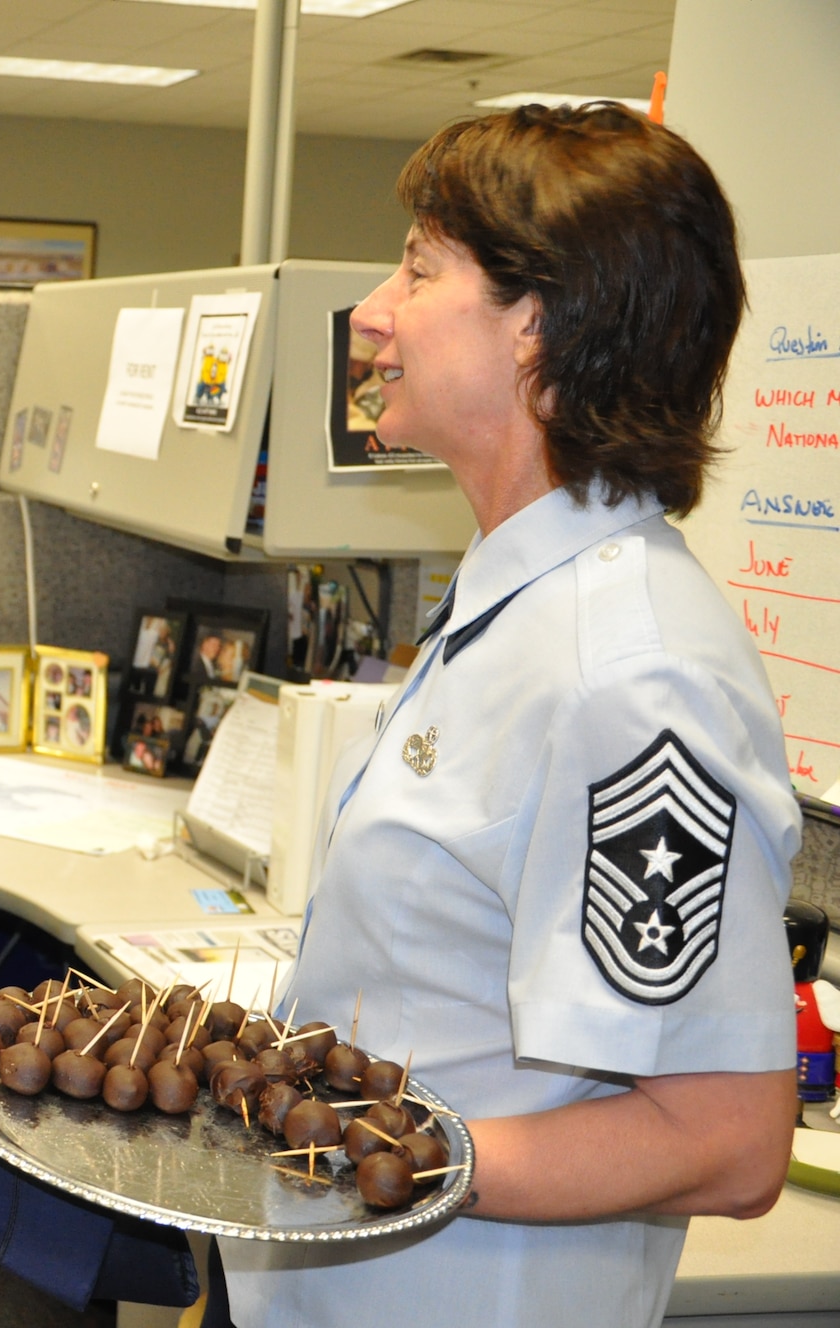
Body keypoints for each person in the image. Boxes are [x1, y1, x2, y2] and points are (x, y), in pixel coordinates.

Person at [219, 104, 801, 1326]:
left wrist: (390, 1154)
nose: (371, 310)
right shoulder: (513, 600)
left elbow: (725, 1137)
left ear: (539, 324)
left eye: (419, 271)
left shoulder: (628, 677)